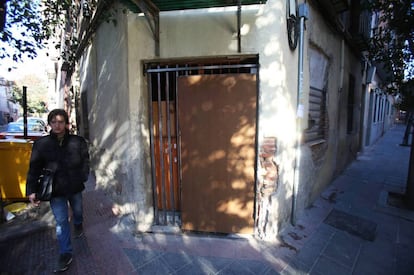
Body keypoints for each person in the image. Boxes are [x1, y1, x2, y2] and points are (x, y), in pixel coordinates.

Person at [26, 109, 90, 273]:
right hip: (55, 190)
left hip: (75, 185)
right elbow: (34, 168)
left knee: (78, 210)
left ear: (66, 124)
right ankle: (65, 253)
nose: (57, 125)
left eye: (61, 121)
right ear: (49, 124)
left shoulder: (78, 141)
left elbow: (85, 160)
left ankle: (78, 223)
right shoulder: (42, 144)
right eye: (54, 122)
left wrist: (83, 176)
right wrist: (31, 190)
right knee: (61, 222)